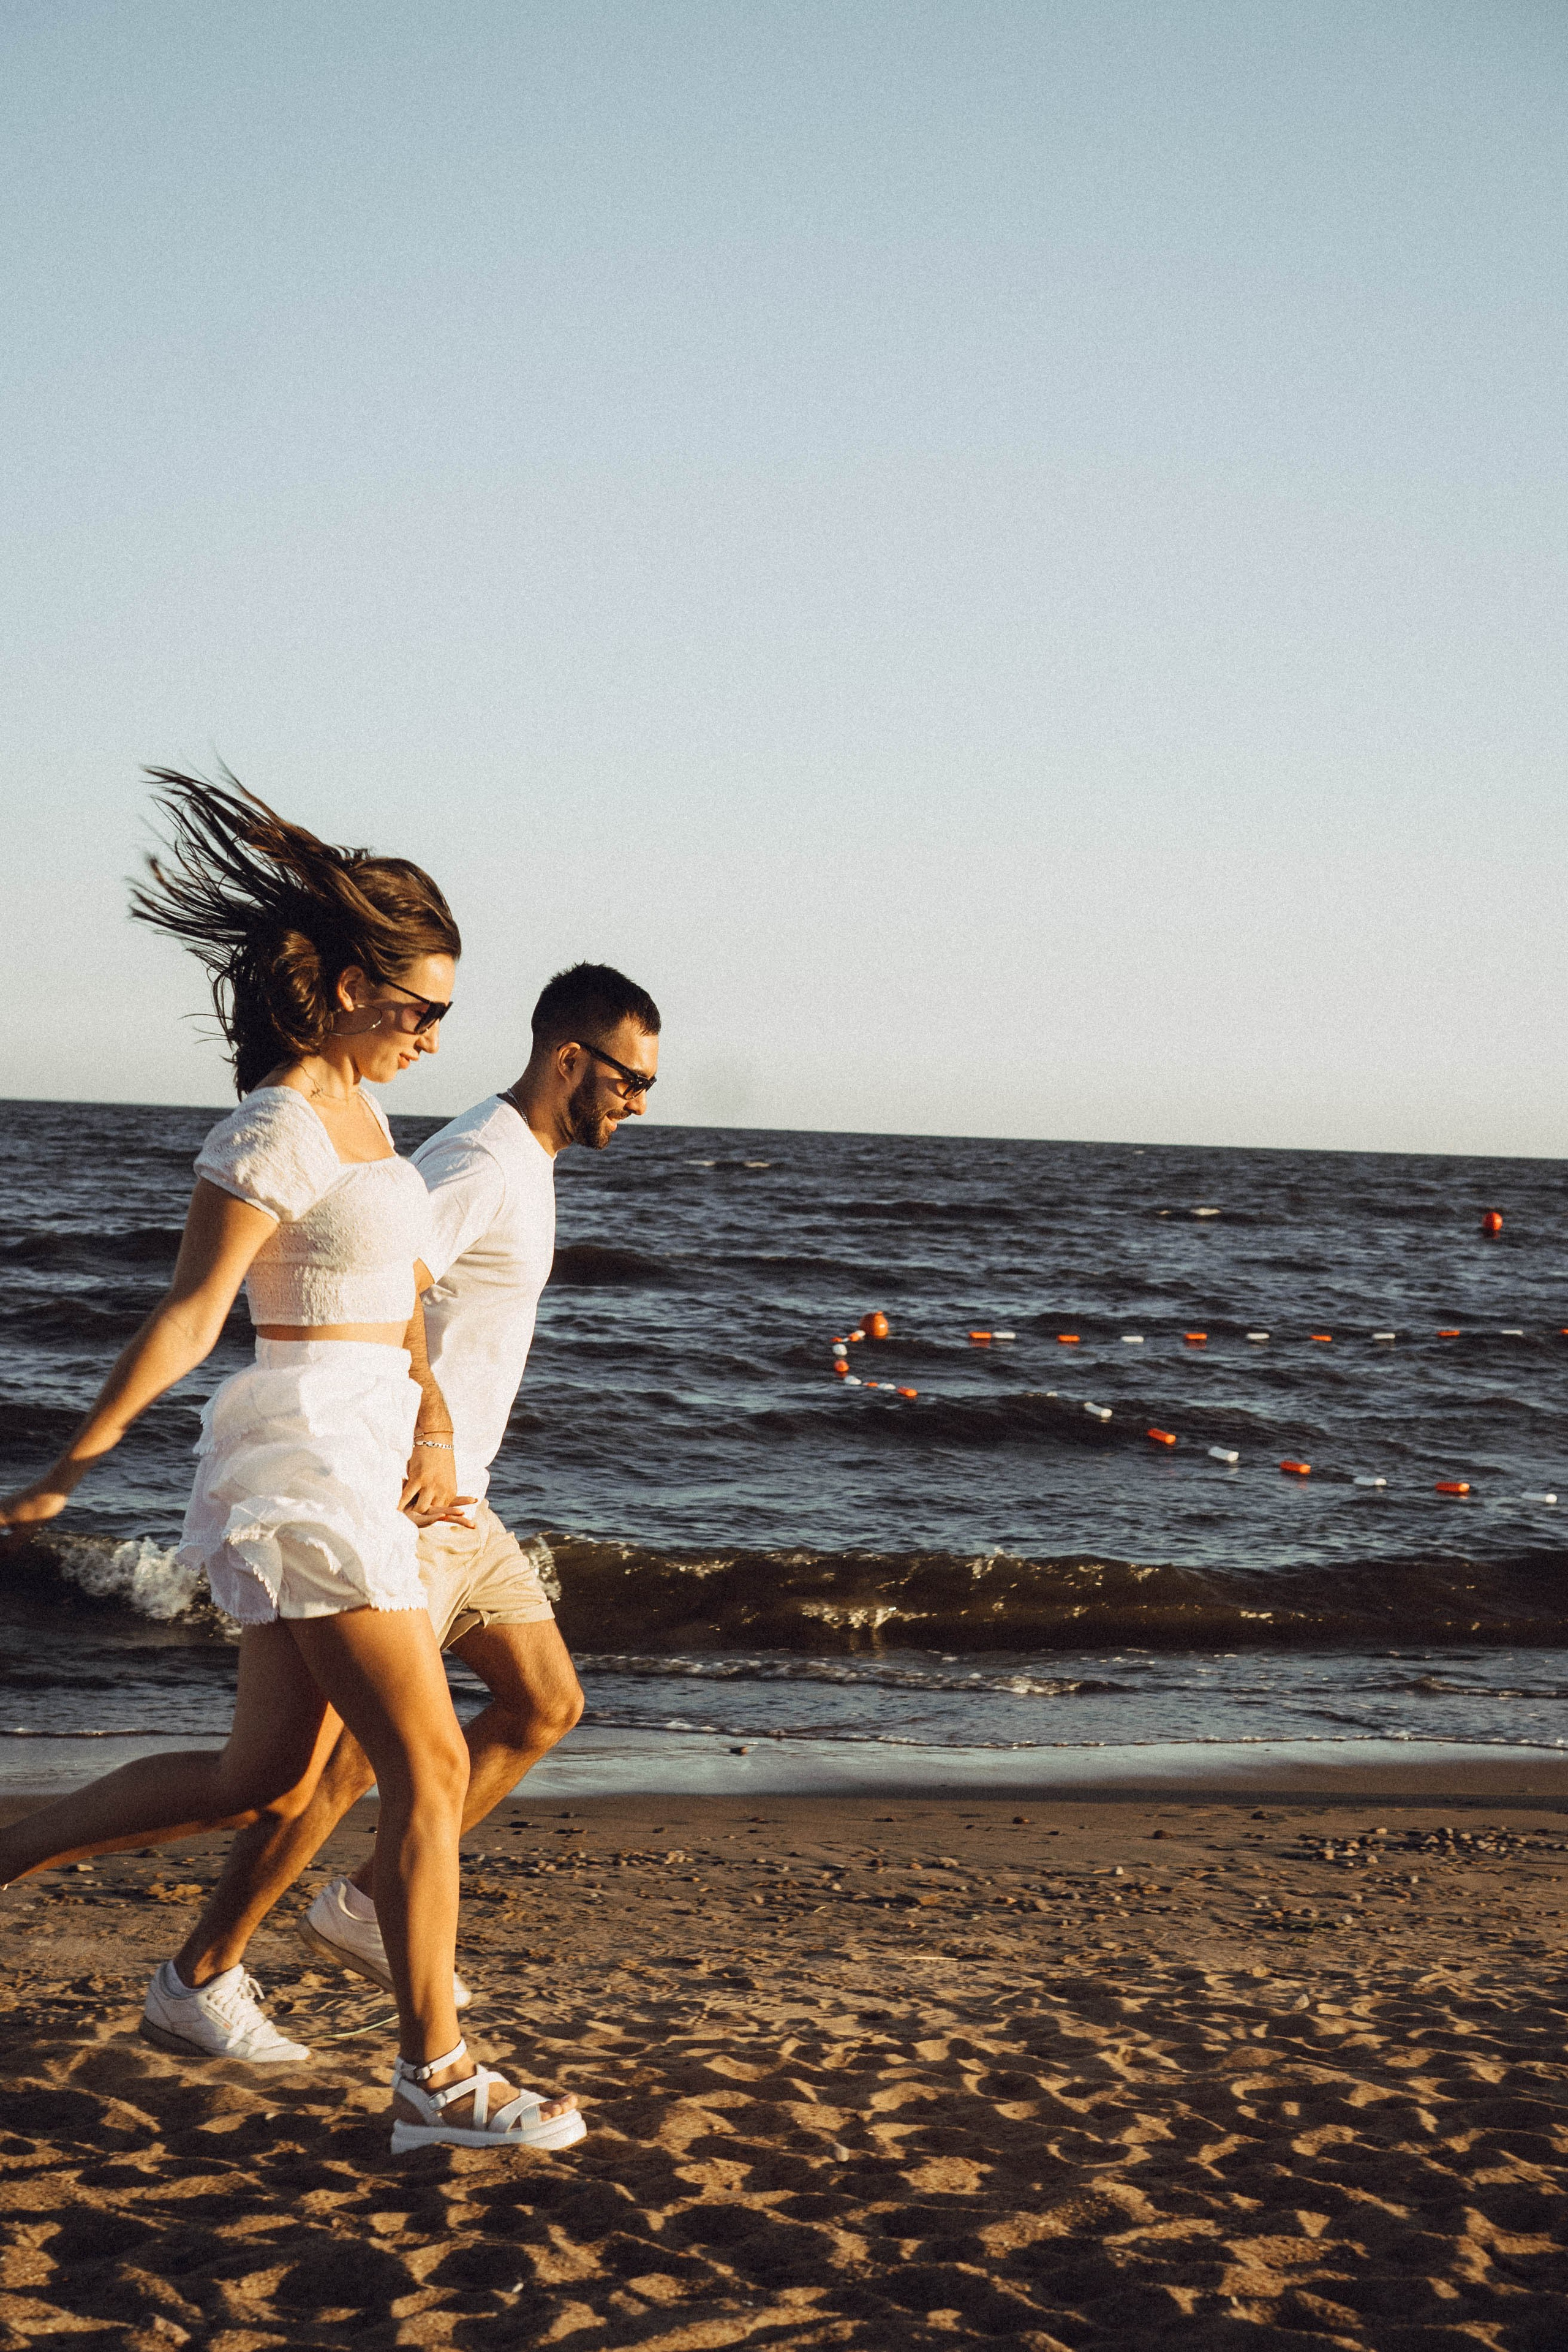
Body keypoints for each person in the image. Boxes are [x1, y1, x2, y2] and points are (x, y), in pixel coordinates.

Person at [0, 770, 582, 2154]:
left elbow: (397, 1307)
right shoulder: (269, 1129)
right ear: (335, 985)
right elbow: (194, 1314)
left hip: (376, 1447)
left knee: (257, 1780)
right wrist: (74, 1464)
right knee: (430, 1766)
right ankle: (435, 2081)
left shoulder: (371, 1124)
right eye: (418, 1009)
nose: (432, 1038)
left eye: (447, 1012)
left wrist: (436, 1419)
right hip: (307, 1461)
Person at [88, 964, 662, 2059]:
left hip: (464, 1498)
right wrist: (419, 1441)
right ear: (570, 1059)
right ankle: (209, 1972)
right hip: (396, 1489)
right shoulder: (479, 1162)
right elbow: (376, 1274)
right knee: (347, 1766)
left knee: (542, 1704)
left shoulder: (524, 1164)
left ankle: (351, 1909)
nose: (638, 1103)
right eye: (629, 1079)